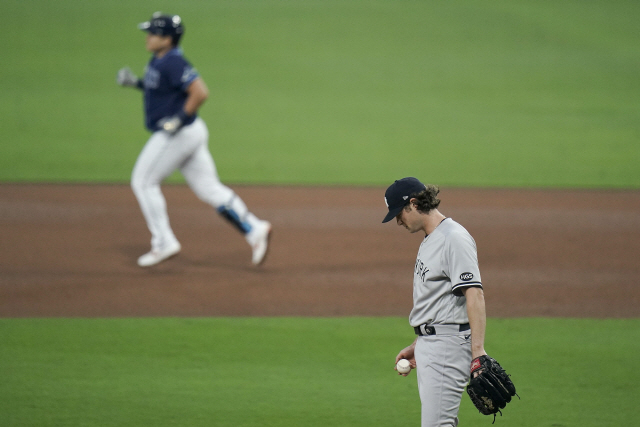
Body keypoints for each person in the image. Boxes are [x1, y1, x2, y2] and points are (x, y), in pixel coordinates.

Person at [116, 12, 271, 268]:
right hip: (192, 133)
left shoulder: (173, 62)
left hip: (178, 134)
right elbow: (163, 90)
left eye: (153, 33)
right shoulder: (159, 60)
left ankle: (163, 242)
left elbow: (200, 92)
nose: (148, 38)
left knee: (143, 181)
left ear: (167, 39)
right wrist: (137, 84)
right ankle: (255, 229)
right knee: (209, 189)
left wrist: (177, 119)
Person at [382, 177, 487, 427]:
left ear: (414, 204)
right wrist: (419, 342)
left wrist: (478, 353)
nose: (397, 220)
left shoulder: (454, 238)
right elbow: (438, 302)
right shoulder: (432, 237)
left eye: (399, 213)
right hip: (434, 343)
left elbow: (474, 293)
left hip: (447, 348)